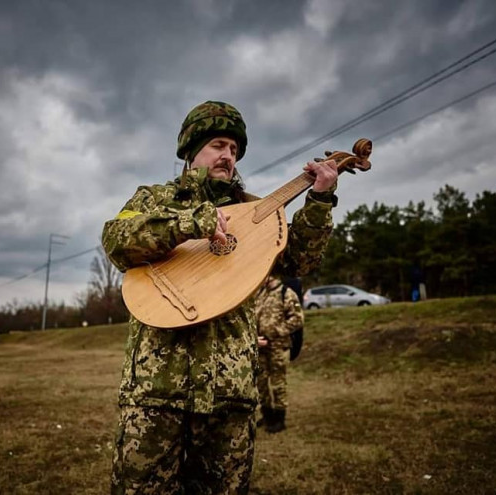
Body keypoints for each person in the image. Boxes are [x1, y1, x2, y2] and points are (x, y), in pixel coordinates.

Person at [102, 100, 339, 494]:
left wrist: (318, 201)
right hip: (156, 394)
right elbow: (116, 240)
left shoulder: (253, 210)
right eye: (218, 145)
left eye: (234, 149)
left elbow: (299, 260)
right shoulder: (152, 200)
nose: (228, 156)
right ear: (191, 150)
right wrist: (191, 223)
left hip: (231, 397)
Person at [255, 275, 303, 433]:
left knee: (278, 383)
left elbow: (297, 319)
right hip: (261, 347)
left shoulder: (286, 293)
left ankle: (279, 419)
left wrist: (276, 332)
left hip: (278, 346)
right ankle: (267, 415)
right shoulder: (261, 293)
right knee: (261, 383)